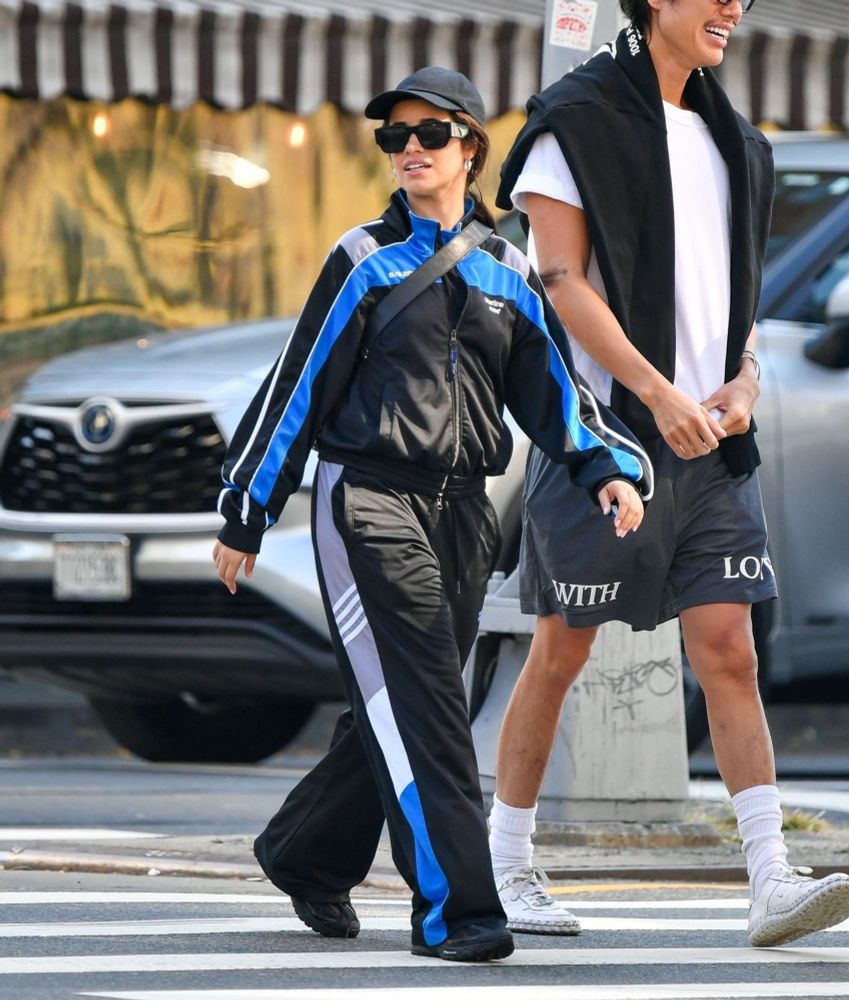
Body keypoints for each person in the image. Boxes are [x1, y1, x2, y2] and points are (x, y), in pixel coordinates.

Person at [213, 66, 651, 963]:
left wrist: (605, 468)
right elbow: (297, 387)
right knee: (423, 708)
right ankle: (458, 911)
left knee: (408, 700)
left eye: (429, 134)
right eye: (394, 137)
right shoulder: (361, 259)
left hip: (463, 517)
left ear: (470, 149)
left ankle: (304, 853)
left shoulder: (507, 270)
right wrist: (246, 506)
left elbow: (555, 393)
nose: (409, 148)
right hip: (366, 501)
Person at [488, 0, 849, 947]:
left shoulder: (737, 141)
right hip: (604, 436)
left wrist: (746, 379)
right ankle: (506, 864)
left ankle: (769, 878)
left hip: (713, 443)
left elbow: (737, 298)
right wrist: (653, 394)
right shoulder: (574, 121)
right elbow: (559, 280)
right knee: (562, 649)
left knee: (729, 648)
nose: (733, 5)